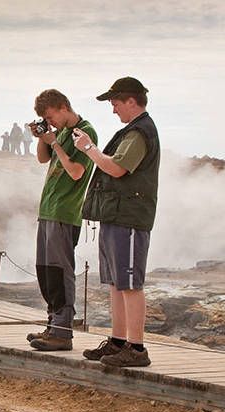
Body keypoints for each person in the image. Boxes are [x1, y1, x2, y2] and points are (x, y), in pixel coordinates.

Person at [74, 77, 160, 367]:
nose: (113, 110)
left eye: (115, 103)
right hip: (117, 215)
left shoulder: (139, 132)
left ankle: (136, 350)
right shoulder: (133, 131)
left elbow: (117, 168)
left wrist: (89, 148)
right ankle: (118, 341)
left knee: (130, 283)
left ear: (131, 101)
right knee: (116, 282)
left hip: (129, 218)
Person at [25, 89, 98, 352]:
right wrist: (43, 139)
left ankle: (62, 332)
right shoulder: (62, 133)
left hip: (65, 211)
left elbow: (77, 172)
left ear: (63, 106)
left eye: (50, 116)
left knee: (60, 270)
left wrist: (55, 141)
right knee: (46, 270)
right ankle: (53, 324)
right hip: (48, 210)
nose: (50, 121)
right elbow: (44, 158)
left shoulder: (84, 131)